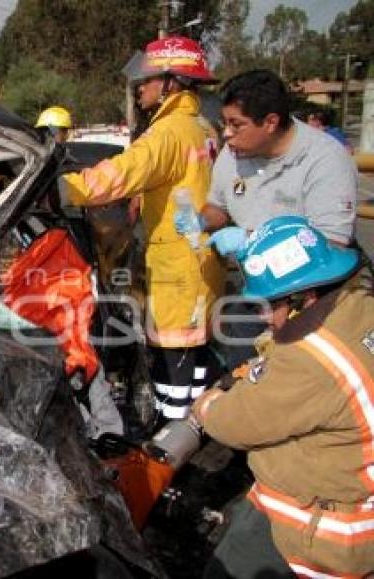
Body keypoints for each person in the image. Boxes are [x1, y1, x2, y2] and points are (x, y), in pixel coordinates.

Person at [193, 216, 374, 578]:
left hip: (318, 529)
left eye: (265, 305)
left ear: (301, 298)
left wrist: (209, 401)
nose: (261, 318)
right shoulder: (359, 306)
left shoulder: (309, 360)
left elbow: (235, 423)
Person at [59, 36, 225, 421]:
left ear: (172, 82)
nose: (141, 88)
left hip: (177, 262)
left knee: (173, 356)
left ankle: (172, 434)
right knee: (196, 350)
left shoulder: (168, 133)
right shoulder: (203, 125)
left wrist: (66, 188)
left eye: (148, 81)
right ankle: (199, 421)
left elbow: (124, 172)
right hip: (202, 257)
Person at [199, 70, 358, 255]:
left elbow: (331, 244)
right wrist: (201, 220)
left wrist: (251, 240)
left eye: (236, 124)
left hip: (318, 279)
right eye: (224, 123)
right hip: (260, 276)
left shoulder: (326, 160)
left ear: (271, 122)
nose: (226, 133)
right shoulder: (232, 153)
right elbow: (219, 207)